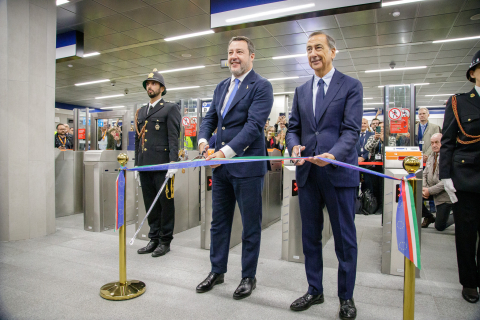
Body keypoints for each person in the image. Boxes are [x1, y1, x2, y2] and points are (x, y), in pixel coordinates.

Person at [286, 31, 362, 320]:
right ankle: (314, 289)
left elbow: (351, 131)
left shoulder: (351, 86)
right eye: (308, 49)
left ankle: (346, 297)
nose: (313, 53)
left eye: (318, 48)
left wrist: (333, 154)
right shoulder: (301, 90)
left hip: (338, 173)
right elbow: (294, 127)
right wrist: (294, 145)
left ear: (333, 51)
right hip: (308, 175)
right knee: (310, 237)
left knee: (344, 240)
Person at [196, 36, 274, 300]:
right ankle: (217, 271)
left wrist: (223, 152)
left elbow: (253, 127)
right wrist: (204, 141)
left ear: (252, 56)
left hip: (247, 165)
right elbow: (210, 118)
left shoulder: (261, 86)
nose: (234, 56)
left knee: (250, 225)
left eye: (239, 51)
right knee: (219, 222)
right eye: (230, 52)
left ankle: (248, 276)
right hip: (221, 168)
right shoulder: (221, 87)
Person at [440, 50, 480, 304]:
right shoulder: (460, 101)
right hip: (466, 177)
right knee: (466, 233)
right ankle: (469, 281)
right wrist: (445, 176)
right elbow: (447, 142)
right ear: (473, 73)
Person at [135, 69, 181, 258]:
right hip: (145, 166)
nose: (149, 86)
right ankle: (153, 238)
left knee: (165, 204)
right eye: (147, 83)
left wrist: (173, 163)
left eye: (153, 83)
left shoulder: (170, 108)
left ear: (162, 88)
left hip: (163, 166)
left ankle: (165, 240)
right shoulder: (142, 111)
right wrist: (137, 166)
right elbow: (139, 141)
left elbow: (173, 138)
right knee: (150, 204)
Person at [421, 133, 453, 230]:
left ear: (442, 142)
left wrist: (429, 191)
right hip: (430, 189)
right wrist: (424, 188)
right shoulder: (432, 155)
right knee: (413, 195)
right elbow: (424, 173)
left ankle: (458, 215)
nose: (434, 145)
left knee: (439, 226)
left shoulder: (450, 157)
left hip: (444, 195)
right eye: (432, 143)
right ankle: (428, 216)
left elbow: (447, 181)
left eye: (437, 142)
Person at [364, 122, 385, 215]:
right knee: (374, 186)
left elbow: (390, 148)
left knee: (382, 187)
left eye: (383, 127)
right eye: (380, 127)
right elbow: (367, 147)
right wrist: (376, 139)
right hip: (373, 165)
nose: (382, 129)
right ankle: (375, 206)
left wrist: (383, 140)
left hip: (384, 166)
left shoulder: (391, 138)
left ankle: (382, 206)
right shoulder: (372, 137)